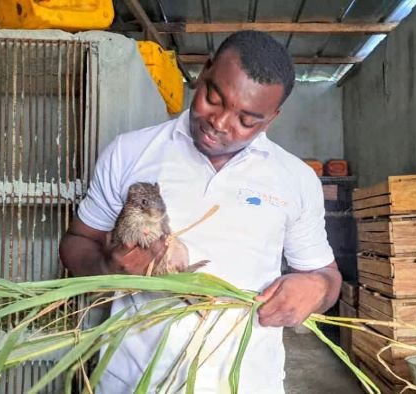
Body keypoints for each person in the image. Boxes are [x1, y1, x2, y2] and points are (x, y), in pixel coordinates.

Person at [59, 30, 342, 393]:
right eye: (214, 98)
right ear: (204, 71)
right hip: (132, 383)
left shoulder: (296, 179)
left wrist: (316, 288)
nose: (220, 123)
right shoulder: (130, 152)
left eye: (247, 120)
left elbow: (327, 276)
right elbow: (77, 242)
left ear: (271, 118)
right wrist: (107, 266)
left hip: (246, 384)